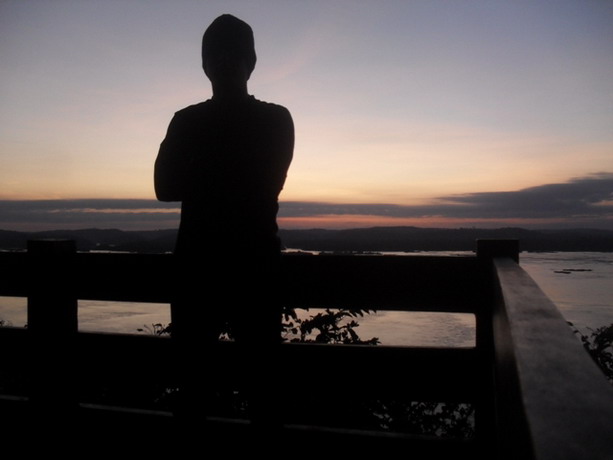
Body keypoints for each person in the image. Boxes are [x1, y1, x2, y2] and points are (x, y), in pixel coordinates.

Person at [154, 14, 294, 441]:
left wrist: (202, 166)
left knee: (258, 394)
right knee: (198, 393)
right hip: (219, 271)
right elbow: (164, 186)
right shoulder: (191, 120)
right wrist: (232, 169)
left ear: (251, 62)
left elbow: (264, 182)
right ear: (205, 64)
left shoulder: (271, 119)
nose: (226, 60)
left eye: (234, 52)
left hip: (236, 272)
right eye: (217, 52)